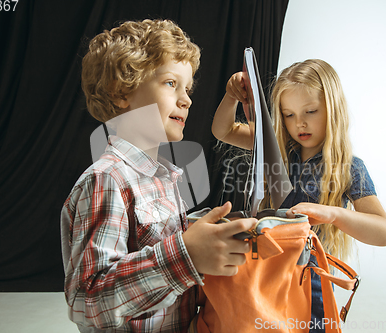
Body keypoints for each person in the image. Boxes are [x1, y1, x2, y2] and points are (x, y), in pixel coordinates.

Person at [60, 19, 256, 333]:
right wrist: (186, 254)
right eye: (170, 83)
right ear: (121, 91)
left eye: (188, 88)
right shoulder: (107, 179)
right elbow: (87, 301)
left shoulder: (164, 178)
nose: (187, 99)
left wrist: (210, 244)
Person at [211, 59, 386, 332]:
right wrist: (230, 96)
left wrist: (334, 214)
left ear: (332, 109)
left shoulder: (349, 167)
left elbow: (383, 232)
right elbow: (223, 130)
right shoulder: (278, 148)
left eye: (310, 111)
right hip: (267, 270)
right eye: (289, 114)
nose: (300, 123)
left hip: (310, 278)